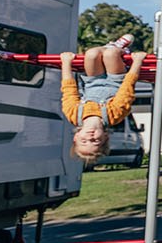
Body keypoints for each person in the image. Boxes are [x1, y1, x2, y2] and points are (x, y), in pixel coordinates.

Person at [60, 36, 145, 165]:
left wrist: (66, 62)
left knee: (92, 54)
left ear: (76, 137)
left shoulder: (73, 114)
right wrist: (137, 62)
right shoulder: (113, 116)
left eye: (84, 141)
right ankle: (118, 48)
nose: (90, 137)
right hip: (115, 81)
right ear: (105, 137)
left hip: (92, 81)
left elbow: (68, 88)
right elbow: (127, 88)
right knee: (111, 55)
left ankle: (114, 45)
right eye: (95, 141)